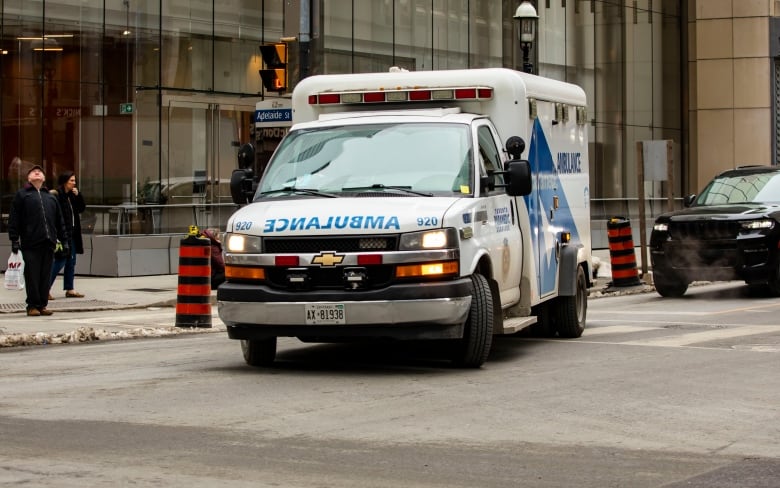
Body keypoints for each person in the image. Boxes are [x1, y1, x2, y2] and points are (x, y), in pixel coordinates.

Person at [7, 165, 68, 317]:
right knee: (32, 275)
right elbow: (14, 219)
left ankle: (42, 305)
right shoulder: (22, 195)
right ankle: (32, 305)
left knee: (45, 275)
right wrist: (14, 239)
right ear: (28, 178)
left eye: (40, 171)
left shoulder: (50, 197)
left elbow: (59, 221)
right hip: (30, 243)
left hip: (49, 242)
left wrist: (65, 241)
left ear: (44, 178)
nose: (37, 172)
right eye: (33, 171)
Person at [49, 171, 86, 299]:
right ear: (65, 181)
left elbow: (81, 208)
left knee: (71, 261)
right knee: (60, 261)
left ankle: (70, 288)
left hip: (73, 233)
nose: (74, 183)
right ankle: (45, 288)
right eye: (71, 181)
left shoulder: (72, 196)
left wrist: (79, 195)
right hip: (62, 234)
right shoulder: (58, 195)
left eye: (74, 181)